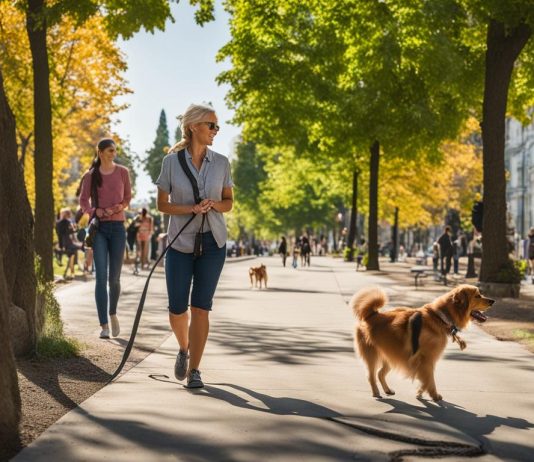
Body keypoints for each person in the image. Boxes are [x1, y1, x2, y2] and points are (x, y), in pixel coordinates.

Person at [156, 103, 233, 389]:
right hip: (180, 243)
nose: (216, 130)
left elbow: (229, 202)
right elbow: (162, 205)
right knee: (177, 308)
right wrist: (191, 208)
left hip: (214, 242)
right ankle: (184, 348)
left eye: (217, 126)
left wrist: (213, 205)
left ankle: (195, 370)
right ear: (194, 127)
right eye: (211, 125)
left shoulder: (222, 163)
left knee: (201, 307)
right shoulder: (171, 163)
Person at [79, 138, 132, 339]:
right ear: (100, 152)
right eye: (110, 150)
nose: (113, 153)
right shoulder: (90, 175)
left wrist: (116, 208)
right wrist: (95, 211)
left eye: (115, 150)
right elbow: (83, 201)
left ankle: (113, 313)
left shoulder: (123, 172)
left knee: (115, 278)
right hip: (99, 229)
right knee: (100, 277)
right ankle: (104, 326)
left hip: (118, 228)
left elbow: (127, 198)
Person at [55, 208, 81, 280]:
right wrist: (76, 228)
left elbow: (59, 234)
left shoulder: (58, 223)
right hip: (68, 243)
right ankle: (71, 271)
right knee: (74, 251)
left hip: (64, 243)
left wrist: (60, 245)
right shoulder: (67, 222)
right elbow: (72, 231)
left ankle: (70, 271)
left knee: (72, 254)